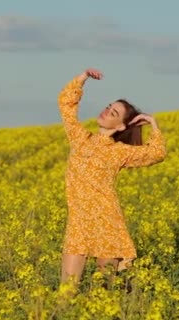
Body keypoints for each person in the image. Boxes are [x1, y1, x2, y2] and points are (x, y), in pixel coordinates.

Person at [57, 67, 167, 288]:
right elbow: (66, 105)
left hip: (107, 222)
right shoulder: (80, 138)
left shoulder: (119, 151)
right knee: (65, 292)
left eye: (114, 113)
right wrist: (83, 78)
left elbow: (157, 153)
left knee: (106, 291)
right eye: (109, 107)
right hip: (79, 222)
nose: (107, 111)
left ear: (121, 126)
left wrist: (152, 123)